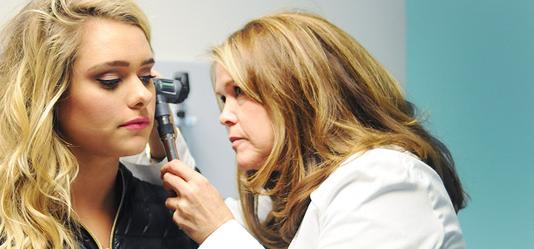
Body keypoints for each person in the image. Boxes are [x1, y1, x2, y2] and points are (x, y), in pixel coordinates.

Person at [160, 12, 467, 248]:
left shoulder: (385, 180)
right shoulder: (285, 200)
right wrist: (161, 136)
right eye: (223, 98)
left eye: (239, 91)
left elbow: (224, 228)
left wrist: (219, 233)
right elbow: (208, 210)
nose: (224, 116)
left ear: (299, 90)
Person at [0, 0, 197, 249]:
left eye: (146, 76)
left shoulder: (170, 216)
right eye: (110, 80)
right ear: (48, 93)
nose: (143, 95)